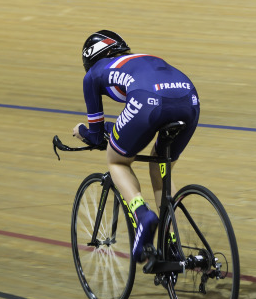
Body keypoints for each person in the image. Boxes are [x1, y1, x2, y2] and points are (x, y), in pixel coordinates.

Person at [73, 29, 200, 263]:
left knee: (117, 160)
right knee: (161, 164)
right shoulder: (139, 59)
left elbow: (95, 135)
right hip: (189, 99)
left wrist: (81, 131)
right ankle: (170, 241)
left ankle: (143, 216)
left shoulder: (92, 74)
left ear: (90, 59)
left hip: (148, 102)